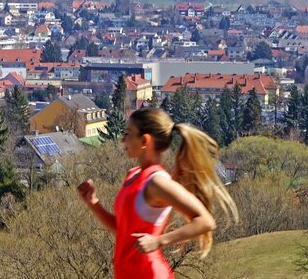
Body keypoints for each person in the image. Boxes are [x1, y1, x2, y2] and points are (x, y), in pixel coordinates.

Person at [77, 107, 237, 278]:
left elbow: (206, 221)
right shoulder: (133, 175)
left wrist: (159, 241)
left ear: (145, 140)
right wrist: (93, 202)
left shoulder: (157, 182)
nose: (123, 140)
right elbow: (121, 230)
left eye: (129, 133)